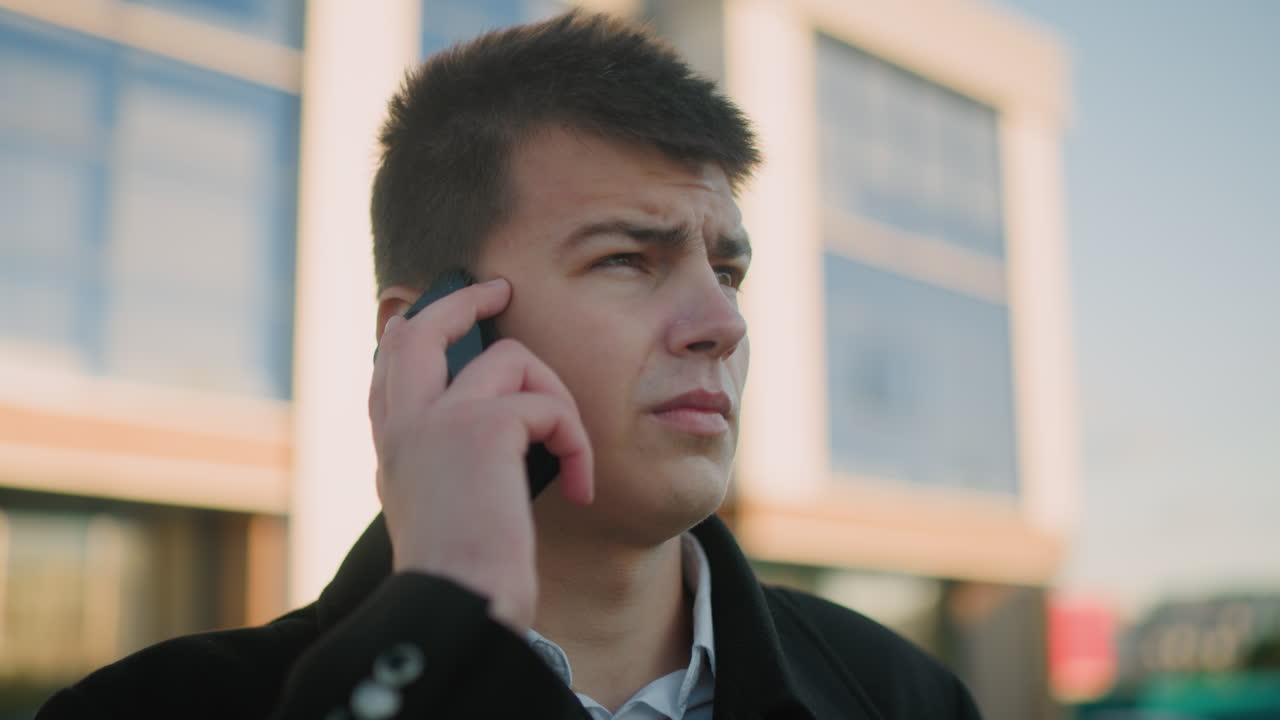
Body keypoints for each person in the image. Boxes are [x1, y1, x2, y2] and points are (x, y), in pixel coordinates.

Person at [38, 10, 982, 720]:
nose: (720, 323)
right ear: (436, 333)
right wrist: (437, 627)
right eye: (627, 258)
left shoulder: (903, 696)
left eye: (727, 270)